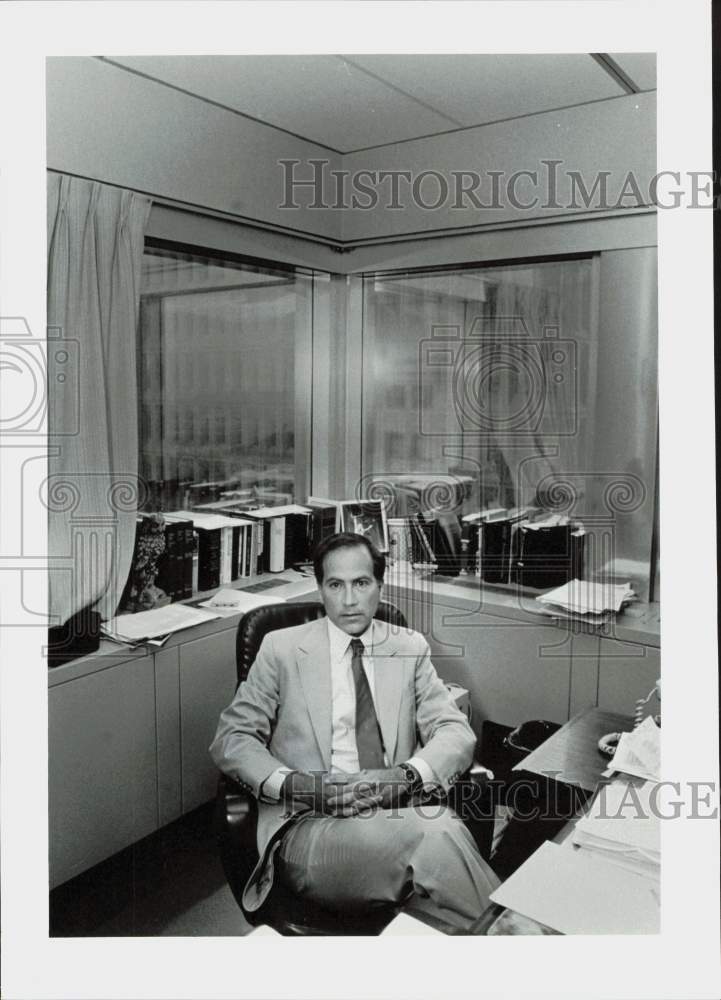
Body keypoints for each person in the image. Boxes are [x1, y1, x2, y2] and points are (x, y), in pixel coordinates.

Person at [210, 532, 499, 930]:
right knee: (437, 833)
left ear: (379, 586)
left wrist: (403, 776)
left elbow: (454, 730)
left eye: (361, 583)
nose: (349, 600)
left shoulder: (408, 647)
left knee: (441, 896)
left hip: (396, 811)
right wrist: (298, 785)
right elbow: (232, 739)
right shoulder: (281, 649)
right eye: (335, 585)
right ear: (320, 588)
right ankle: (518, 936)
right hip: (311, 829)